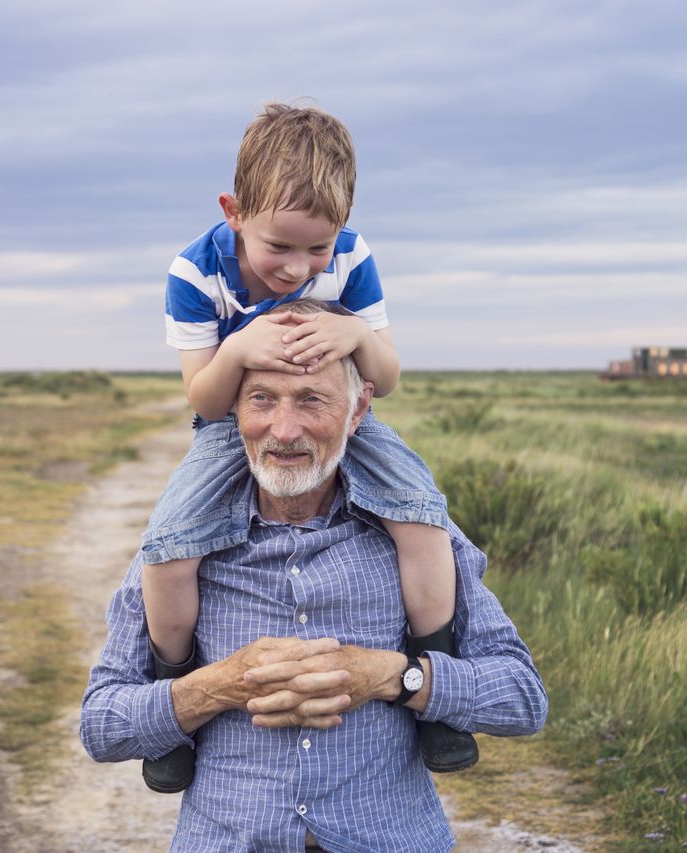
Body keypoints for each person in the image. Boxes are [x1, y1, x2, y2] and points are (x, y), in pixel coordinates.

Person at [81, 308, 548, 852]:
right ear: (232, 409)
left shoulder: (421, 535)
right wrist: (217, 686)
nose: (284, 430)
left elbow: (522, 698)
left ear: (358, 409)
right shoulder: (178, 545)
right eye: (261, 400)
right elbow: (102, 725)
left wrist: (394, 678)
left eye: (311, 400)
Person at [141, 102, 474, 792]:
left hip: (348, 413)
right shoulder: (194, 272)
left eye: (317, 248)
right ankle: (172, 696)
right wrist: (239, 349)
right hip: (232, 424)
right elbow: (202, 398)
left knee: (422, 514)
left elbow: (388, 378)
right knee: (170, 541)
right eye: (280, 248)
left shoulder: (353, 257)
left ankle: (436, 680)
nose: (299, 268)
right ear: (234, 211)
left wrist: (356, 337)